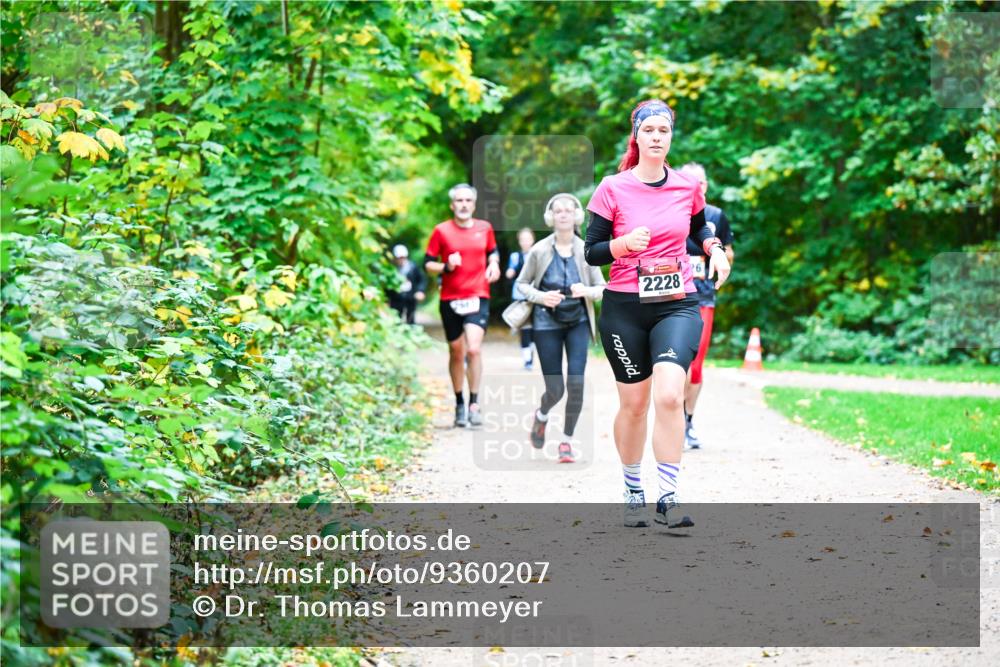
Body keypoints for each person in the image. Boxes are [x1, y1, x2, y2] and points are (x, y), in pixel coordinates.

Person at [584, 99, 731, 529]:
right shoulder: (612, 188)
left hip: (677, 302)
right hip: (625, 307)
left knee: (669, 394)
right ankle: (634, 491)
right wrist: (623, 245)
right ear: (637, 136)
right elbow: (592, 251)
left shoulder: (687, 186)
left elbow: (700, 226)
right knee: (634, 405)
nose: (656, 137)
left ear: (671, 137)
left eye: (663, 130)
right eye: (648, 130)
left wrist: (714, 249)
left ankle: (668, 496)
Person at [515, 194, 606, 464]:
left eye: (568, 210)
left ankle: (566, 441)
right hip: (546, 323)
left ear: (576, 216)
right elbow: (522, 284)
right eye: (558, 211)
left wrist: (585, 291)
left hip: (578, 322)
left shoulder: (587, 251)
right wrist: (542, 297)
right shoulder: (539, 250)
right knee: (555, 389)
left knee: (576, 384)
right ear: (551, 217)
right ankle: (541, 415)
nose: (563, 214)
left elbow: (602, 288)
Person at [424, 183, 501, 428]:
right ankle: (459, 402)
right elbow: (428, 264)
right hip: (450, 299)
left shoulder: (485, 228)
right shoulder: (441, 231)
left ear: (474, 205)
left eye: (468, 200)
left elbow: (493, 252)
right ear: (452, 205)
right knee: (456, 351)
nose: (464, 204)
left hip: (478, 295)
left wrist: (494, 264)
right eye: (459, 200)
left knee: (474, 349)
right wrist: (446, 266)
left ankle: (474, 404)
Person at [678, 163, 735, 450]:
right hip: (672, 297)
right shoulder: (670, 212)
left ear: (706, 186)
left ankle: (687, 421)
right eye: (689, 181)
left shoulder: (715, 216)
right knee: (675, 364)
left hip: (702, 298)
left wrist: (718, 256)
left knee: (695, 366)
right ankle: (672, 421)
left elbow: (729, 253)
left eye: (699, 182)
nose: (695, 187)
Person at [506, 228, 537, 370]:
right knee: (525, 329)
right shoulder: (515, 257)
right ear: (519, 241)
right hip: (520, 297)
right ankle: (527, 359)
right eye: (523, 239)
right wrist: (509, 272)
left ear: (532, 240)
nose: (525, 242)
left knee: (536, 328)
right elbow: (510, 272)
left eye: (528, 239)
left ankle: (532, 353)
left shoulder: (538, 254)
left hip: (536, 296)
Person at [387, 244, 426, 324]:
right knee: (396, 320)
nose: (401, 260)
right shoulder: (390, 269)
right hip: (396, 299)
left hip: (410, 297)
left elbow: (421, 280)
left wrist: (420, 291)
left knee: (410, 319)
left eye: (403, 257)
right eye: (399, 258)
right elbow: (387, 286)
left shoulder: (413, 267)